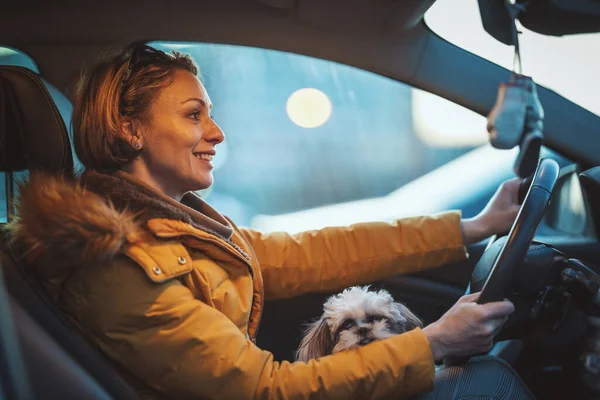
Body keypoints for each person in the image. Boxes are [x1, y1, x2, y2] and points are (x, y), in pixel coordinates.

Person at [9, 44, 529, 399]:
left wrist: (473, 226)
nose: (216, 131)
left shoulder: (173, 227)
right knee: (489, 384)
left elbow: (311, 250)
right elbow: (265, 390)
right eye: (194, 114)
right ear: (130, 129)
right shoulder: (118, 261)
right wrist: (433, 343)